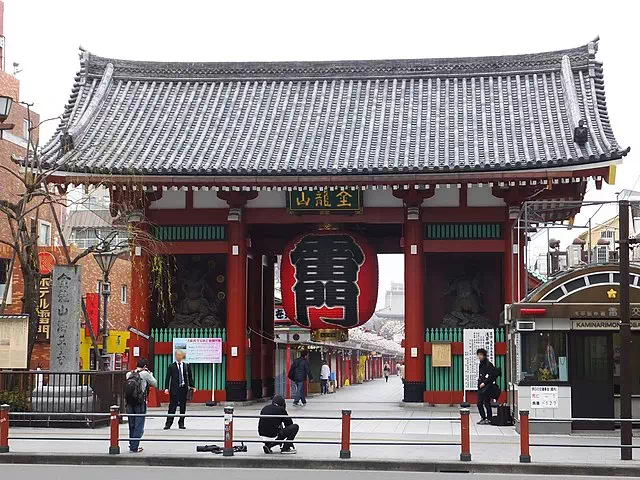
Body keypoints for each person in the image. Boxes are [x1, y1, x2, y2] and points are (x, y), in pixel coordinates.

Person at [125, 358, 157, 453]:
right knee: (139, 425)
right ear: (145, 366)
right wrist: (150, 374)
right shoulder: (145, 374)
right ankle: (134, 447)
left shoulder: (129, 374)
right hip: (140, 403)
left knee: (131, 425)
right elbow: (154, 383)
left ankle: (132, 445)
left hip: (129, 403)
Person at [163, 349, 196, 430]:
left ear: (182, 356)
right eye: (177, 355)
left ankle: (181, 423)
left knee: (183, 407)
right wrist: (166, 388)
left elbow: (190, 377)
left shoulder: (186, 366)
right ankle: (168, 423)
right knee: (172, 407)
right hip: (174, 389)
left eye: (180, 355)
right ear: (175, 356)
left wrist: (193, 386)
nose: (178, 357)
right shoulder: (171, 366)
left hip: (183, 388)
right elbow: (168, 378)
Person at [476, 348, 499, 425]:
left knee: (487, 403)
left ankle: (489, 418)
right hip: (480, 386)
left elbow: (491, 376)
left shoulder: (488, 364)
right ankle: (483, 417)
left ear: (484, 355)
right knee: (479, 403)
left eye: (481, 355)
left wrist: (484, 383)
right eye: (478, 355)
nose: (479, 356)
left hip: (487, 387)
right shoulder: (481, 364)